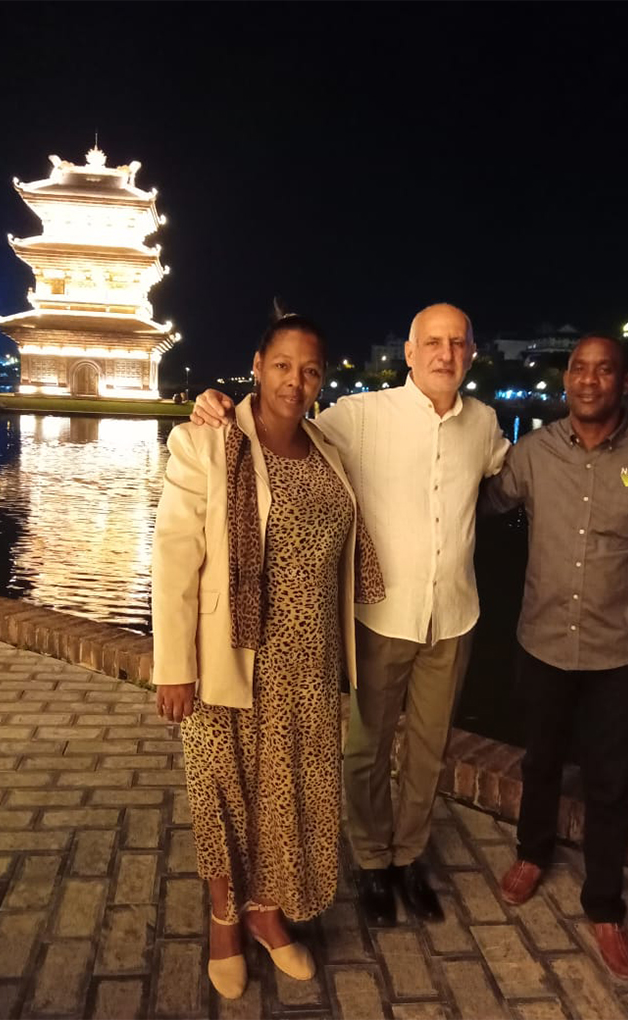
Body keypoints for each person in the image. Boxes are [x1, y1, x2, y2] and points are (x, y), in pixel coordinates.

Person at [190, 303, 509, 926]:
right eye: (432, 343)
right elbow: (278, 417)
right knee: (365, 749)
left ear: (471, 353)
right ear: (410, 353)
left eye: (458, 343)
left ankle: (407, 858)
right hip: (380, 616)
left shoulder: (487, 424)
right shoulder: (359, 417)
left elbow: (516, 471)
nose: (446, 354)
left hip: (453, 617)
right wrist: (215, 404)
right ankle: (369, 861)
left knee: (428, 750)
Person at [152, 313, 383, 999]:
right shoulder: (208, 443)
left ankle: (266, 913)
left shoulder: (329, 449)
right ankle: (224, 917)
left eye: (310, 368)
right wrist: (173, 667)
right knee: (227, 794)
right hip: (229, 657)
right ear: (257, 364)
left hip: (309, 668)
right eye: (283, 364)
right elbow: (173, 560)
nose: (296, 379)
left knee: (288, 800)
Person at [481, 335, 628, 981]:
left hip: (619, 653)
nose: (589, 379)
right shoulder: (534, 452)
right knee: (540, 761)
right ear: (567, 379)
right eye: (579, 368)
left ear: (625, 384)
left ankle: (604, 905)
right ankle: (531, 854)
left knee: (609, 782)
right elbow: (482, 500)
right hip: (543, 641)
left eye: (605, 370)